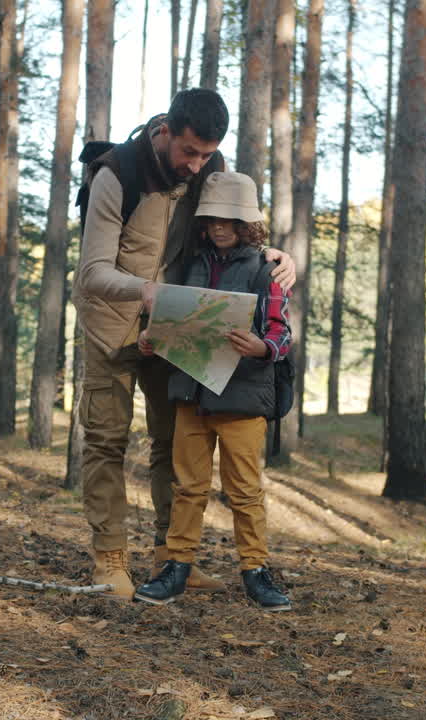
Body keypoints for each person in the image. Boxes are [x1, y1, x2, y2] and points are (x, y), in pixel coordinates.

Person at [73, 88, 295, 601]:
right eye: (188, 152)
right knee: (106, 439)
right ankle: (109, 558)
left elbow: (226, 225)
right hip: (112, 326)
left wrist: (274, 256)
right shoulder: (117, 173)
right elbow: (92, 272)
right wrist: (144, 289)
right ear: (166, 131)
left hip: (174, 330)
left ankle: (171, 559)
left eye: (206, 153)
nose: (196, 165)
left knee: (172, 444)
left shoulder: (209, 166)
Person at [133, 171, 292, 611]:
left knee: (244, 490)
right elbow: (172, 321)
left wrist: (263, 346)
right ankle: (177, 567)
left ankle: (255, 572)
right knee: (188, 486)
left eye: (228, 219)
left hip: (243, 398)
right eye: (211, 219)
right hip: (191, 392)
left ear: (246, 222)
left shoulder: (269, 269)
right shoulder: (190, 263)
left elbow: (282, 332)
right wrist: (152, 339)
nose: (218, 227)